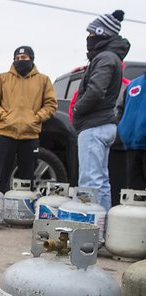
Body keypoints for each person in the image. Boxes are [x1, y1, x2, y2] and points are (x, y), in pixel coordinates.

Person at [72, 10, 131, 211]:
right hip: (105, 125)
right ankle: (102, 225)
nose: (88, 38)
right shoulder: (111, 57)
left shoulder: (104, 58)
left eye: (91, 34)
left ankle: (89, 229)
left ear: (102, 33)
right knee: (102, 181)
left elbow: (96, 90)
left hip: (94, 125)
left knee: (90, 182)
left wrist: (78, 110)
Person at [0, 46, 57, 194]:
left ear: (31, 59)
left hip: (30, 135)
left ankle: (25, 210)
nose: (20, 61)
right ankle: (0, 207)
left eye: (23, 58)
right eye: (17, 58)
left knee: (27, 178)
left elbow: (51, 104)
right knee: (0, 176)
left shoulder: (43, 80)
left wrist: (37, 118)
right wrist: (5, 116)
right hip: (5, 134)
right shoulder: (2, 78)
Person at [118, 71, 146, 189]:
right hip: (131, 146)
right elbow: (121, 109)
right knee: (134, 194)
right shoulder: (133, 84)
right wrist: (122, 129)